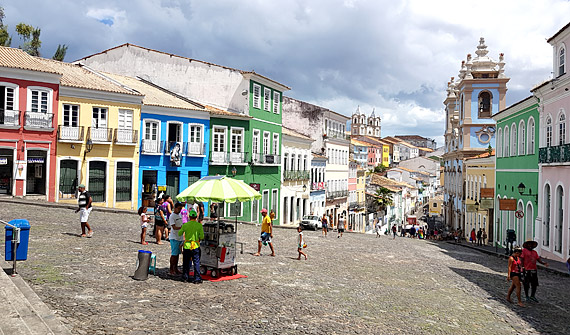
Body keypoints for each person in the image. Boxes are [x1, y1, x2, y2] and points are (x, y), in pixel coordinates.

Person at [178, 209, 204, 283]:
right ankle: (197, 278)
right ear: (196, 217)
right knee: (196, 262)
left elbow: (180, 233)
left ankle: (185, 277)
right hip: (195, 245)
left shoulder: (185, 225)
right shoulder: (199, 225)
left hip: (187, 246)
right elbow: (202, 236)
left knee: (186, 262)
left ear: (189, 217)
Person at [168, 203, 185, 275]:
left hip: (179, 237)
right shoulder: (172, 216)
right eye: (179, 208)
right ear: (175, 208)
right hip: (174, 237)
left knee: (177, 254)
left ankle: (176, 268)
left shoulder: (179, 215)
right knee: (174, 254)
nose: (180, 210)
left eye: (181, 209)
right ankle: (171, 269)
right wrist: (182, 228)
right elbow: (174, 227)